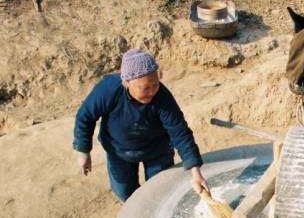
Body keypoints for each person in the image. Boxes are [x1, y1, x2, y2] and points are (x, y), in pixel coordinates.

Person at [73, 48, 209, 201]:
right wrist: (83, 151)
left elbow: (179, 131)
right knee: (126, 194)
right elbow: (85, 117)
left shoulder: (162, 96)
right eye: (145, 88)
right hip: (119, 151)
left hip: (157, 150)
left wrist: (195, 173)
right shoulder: (108, 90)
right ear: (127, 83)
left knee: (160, 193)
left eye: (155, 85)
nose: (151, 91)